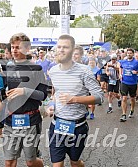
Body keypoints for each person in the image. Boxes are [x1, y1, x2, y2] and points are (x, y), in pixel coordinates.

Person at [47, 34, 104, 167]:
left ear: (72, 50)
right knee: (57, 165)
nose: (61, 50)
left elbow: (99, 96)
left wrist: (75, 99)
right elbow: (56, 93)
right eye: (59, 46)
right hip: (57, 125)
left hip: (77, 127)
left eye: (65, 47)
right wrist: (51, 105)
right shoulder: (54, 71)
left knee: (75, 162)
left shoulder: (84, 71)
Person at [3, 33, 48, 167]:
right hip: (11, 119)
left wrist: (24, 91)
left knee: (30, 162)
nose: (15, 50)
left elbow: (43, 95)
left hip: (30, 120)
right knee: (9, 161)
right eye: (13, 47)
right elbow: (3, 90)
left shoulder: (36, 68)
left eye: (18, 47)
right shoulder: (8, 67)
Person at [119, 48, 138, 122]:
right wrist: (120, 74)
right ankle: (124, 115)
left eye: (130, 53)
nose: (129, 54)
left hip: (133, 83)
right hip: (124, 82)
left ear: (133, 54)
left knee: (132, 98)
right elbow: (120, 67)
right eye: (128, 53)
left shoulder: (136, 62)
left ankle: (132, 110)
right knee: (124, 98)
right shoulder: (123, 61)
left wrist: (136, 72)